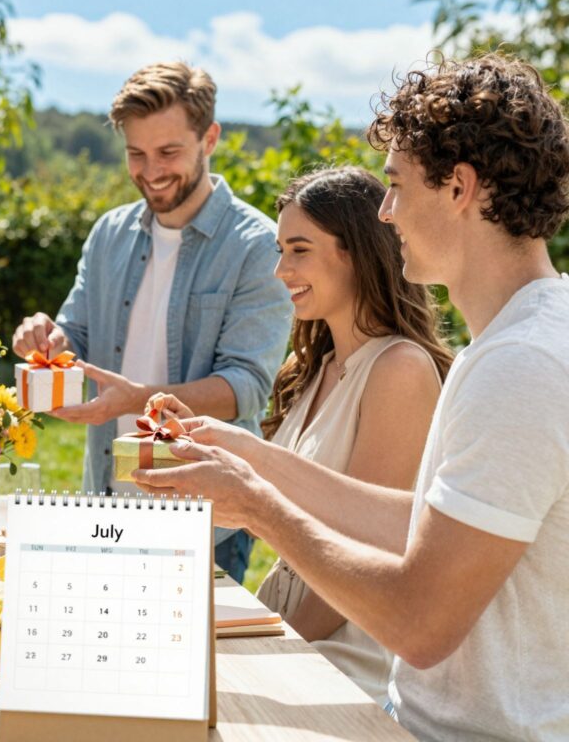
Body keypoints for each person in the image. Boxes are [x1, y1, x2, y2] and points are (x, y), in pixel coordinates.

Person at [135, 53, 569, 740]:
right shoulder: (517, 343)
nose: (386, 213)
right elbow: (428, 533)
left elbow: (418, 623)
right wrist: (250, 456)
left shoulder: (520, 364)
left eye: (395, 187)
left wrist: (258, 508)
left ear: (459, 188)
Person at [150, 166, 452, 705]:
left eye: (299, 250)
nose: (280, 269)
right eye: (279, 251)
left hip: (341, 663)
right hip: (283, 626)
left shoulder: (399, 369)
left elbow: (367, 551)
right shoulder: (312, 367)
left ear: (356, 251)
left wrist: (274, 648)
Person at [12, 62, 292, 582]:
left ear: (209, 138)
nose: (151, 171)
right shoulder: (108, 233)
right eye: (136, 154)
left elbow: (246, 387)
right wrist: (47, 337)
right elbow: (78, 335)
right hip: (106, 502)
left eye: (168, 153)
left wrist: (137, 401)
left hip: (205, 516)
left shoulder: (257, 245)